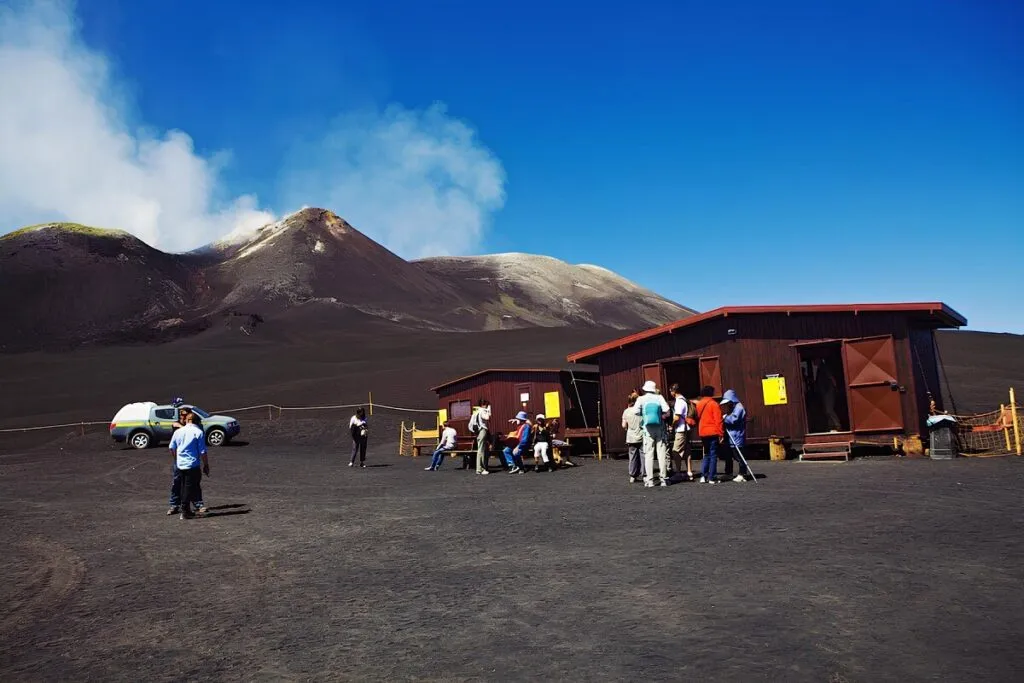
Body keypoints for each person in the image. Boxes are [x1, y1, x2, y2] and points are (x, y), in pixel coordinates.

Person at [168, 411, 209, 520]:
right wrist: (206, 464)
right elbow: (203, 452)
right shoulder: (198, 432)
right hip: (192, 464)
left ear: (187, 420)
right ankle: (185, 510)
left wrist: (176, 459)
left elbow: (172, 447)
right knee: (190, 487)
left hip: (180, 464)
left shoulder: (179, 432)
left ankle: (184, 508)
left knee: (182, 486)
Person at [633, 380, 671, 487]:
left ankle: (649, 480)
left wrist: (644, 414)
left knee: (648, 454)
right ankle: (663, 479)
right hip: (660, 428)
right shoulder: (659, 397)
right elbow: (667, 410)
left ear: (645, 389)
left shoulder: (641, 399)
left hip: (647, 429)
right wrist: (661, 416)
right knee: (661, 453)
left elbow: (635, 411)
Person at [695, 385, 724, 484]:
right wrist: (721, 434)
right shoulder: (714, 404)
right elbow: (718, 420)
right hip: (713, 431)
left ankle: (703, 476)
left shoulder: (699, 404)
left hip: (703, 431)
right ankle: (712, 477)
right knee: (713, 455)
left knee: (706, 454)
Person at [720, 389, 749, 482]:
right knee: (729, 455)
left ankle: (742, 474)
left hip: (737, 435)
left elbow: (733, 420)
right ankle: (729, 473)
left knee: (739, 456)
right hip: (731, 436)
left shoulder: (739, 408)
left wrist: (725, 417)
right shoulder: (733, 407)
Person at [669, 384, 693, 481]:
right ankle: (689, 471)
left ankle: (678, 472)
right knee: (687, 450)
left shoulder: (679, 402)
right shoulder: (685, 400)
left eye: (670, 391)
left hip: (681, 429)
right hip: (687, 428)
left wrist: (672, 425)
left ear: (673, 391)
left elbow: (677, 417)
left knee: (675, 451)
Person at [622, 392, 644, 482]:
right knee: (643, 456)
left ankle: (633, 476)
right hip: (641, 435)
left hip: (631, 437)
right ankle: (645, 474)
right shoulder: (641, 411)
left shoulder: (626, 411)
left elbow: (623, 425)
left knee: (632, 456)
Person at [468, 399, 491, 475]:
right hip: (482, 430)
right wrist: (488, 411)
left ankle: (479, 468)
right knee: (481, 450)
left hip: (477, 432)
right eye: (487, 405)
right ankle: (481, 468)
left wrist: (475, 431)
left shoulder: (475, 412)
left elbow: (470, 425)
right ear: (484, 405)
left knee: (480, 449)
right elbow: (487, 418)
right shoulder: (483, 411)